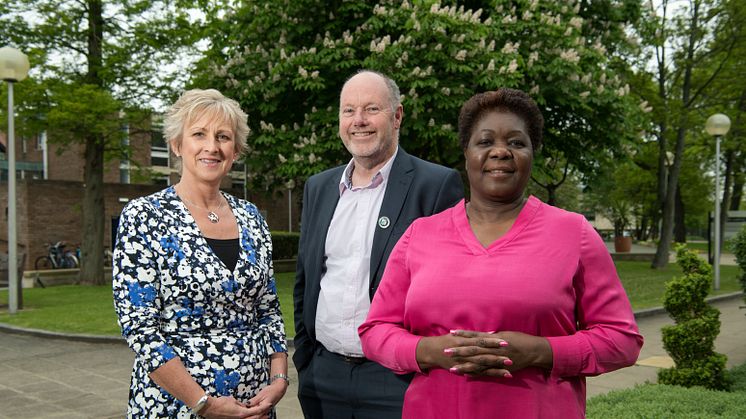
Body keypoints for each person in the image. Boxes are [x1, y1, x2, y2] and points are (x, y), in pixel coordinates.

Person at [359, 88, 644, 418]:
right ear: (466, 153)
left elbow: (621, 340)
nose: (500, 152)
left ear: (532, 154)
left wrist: (541, 352)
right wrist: (429, 351)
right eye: (485, 142)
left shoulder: (574, 233)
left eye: (516, 143)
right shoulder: (420, 235)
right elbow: (376, 331)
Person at [293, 70, 464, 418]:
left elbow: (452, 291)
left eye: (371, 109)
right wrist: (305, 359)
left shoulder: (436, 185)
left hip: (396, 380)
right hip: (323, 378)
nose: (358, 121)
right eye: (348, 111)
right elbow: (305, 279)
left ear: (397, 115)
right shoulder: (318, 188)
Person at [113, 89, 288, 418]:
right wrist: (202, 403)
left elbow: (269, 311)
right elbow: (139, 327)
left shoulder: (252, 216)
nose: (212, 146)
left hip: (254, 404)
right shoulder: (144, 216)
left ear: (234, 151)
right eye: (199, 134)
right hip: (177, 405)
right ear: (177, 145)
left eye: (223, 137)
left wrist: (278, 379)